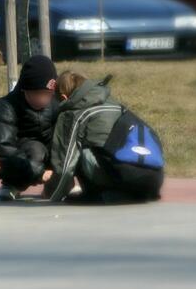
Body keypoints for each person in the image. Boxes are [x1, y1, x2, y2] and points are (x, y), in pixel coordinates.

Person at [44, 70, 164, 203]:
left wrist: (54, 197)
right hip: (154, 180)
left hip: (124, 178)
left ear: (64, 97)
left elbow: (65, 165)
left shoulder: (74, 114)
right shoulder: (118, 106)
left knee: (78, 149)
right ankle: (129, 194)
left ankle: (99, 194)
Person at [0, 55, 59, 201]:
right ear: (25, 90)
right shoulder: (6, 107)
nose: (43, 100)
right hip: (16, 159)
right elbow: (2, 149)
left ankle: (54, 185)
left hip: (43, 157)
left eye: (48, 95)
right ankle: (12, 185)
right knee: (36, 149)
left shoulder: (55, 105)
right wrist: (38, 172)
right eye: (38, 94)